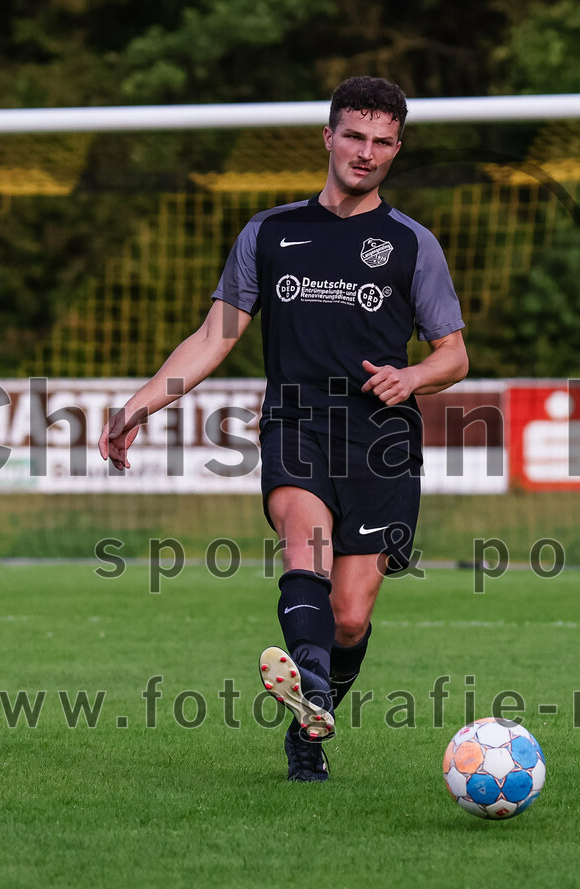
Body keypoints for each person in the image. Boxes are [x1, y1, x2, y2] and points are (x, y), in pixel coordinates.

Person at [98, 76, 468, 783]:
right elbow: (214, 336)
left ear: (397, 149)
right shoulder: (270, 234)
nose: (366, 152)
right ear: (327, 137)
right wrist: (141, 403)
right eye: (354, 137)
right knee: (306, 544)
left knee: (351, 617)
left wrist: (413, 377)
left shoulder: (411, 244)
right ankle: (316, 698)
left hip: (383, 441)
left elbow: (454, 352)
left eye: (382, 142)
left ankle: (310, 719)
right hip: (295, 424)